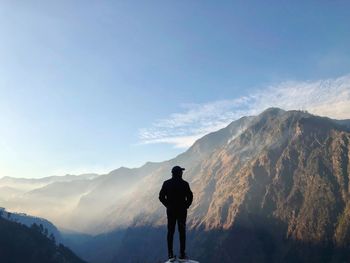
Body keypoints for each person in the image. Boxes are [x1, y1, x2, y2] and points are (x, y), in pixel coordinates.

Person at [159, 166, 193, 262]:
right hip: (182, 211)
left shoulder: (166, 183)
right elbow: (190, 196)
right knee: (182, 232)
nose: (182, 173)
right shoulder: (184, 184)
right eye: (181, 172)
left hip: (171, 211)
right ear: (179, 173)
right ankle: (182, 254)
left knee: (170, 232)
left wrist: (167, 205)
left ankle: (170, 254)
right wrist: (186, 205)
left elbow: (161, 197)